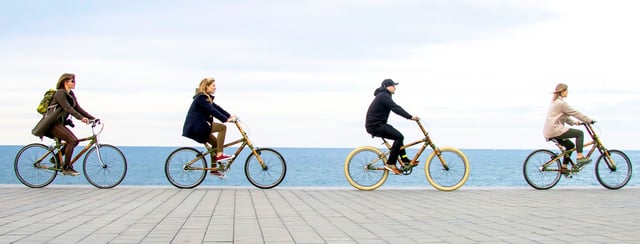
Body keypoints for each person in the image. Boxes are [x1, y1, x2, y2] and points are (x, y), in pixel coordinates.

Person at [32, 73, 96, 176]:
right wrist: (81, 118)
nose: (75, 83)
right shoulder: (60, 93)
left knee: (74, 142)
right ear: (65, 82)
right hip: (51, 124)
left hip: (58, 124)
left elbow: (78, 108)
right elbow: (68, 108)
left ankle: (56, 158)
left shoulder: (71, 94)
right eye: (72, 81)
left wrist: (93, 118)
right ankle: (66, 167)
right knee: (72, 140)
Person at [182, 77, 237, 176]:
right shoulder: (201, 98)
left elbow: (217, 108)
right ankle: (220, 155)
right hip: (197, 127)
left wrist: (229, 116)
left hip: (200, 126)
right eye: (213, 86)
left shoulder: (206, 98)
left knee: (216, 144)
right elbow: (212, 111)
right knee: (222, 128)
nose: (215, 88)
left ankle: (213, 169)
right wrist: (225, 120)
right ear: (207, 86)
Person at [365, 79, 420, 175]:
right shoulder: (383, 96)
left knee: (399, 136)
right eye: (393, 86)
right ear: (387, 86)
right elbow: (395, 108)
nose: (395, 88)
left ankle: (405, 160)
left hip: (378, 124)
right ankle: (391, 163)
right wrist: (410, 117)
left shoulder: (383, 95)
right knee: (399, 137)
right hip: (375, 126)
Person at [543, 83, 595, 173]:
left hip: (549, 130)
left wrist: (575, 122)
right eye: (567, 91)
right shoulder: (561, 103)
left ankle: (564, 167)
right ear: (562, 91)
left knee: (570, 146)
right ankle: (580, 157)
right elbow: (576, 113)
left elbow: (564, 116)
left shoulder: (555, 102)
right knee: (579, 134)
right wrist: (589, 120)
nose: (567, 93)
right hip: (554, 129)